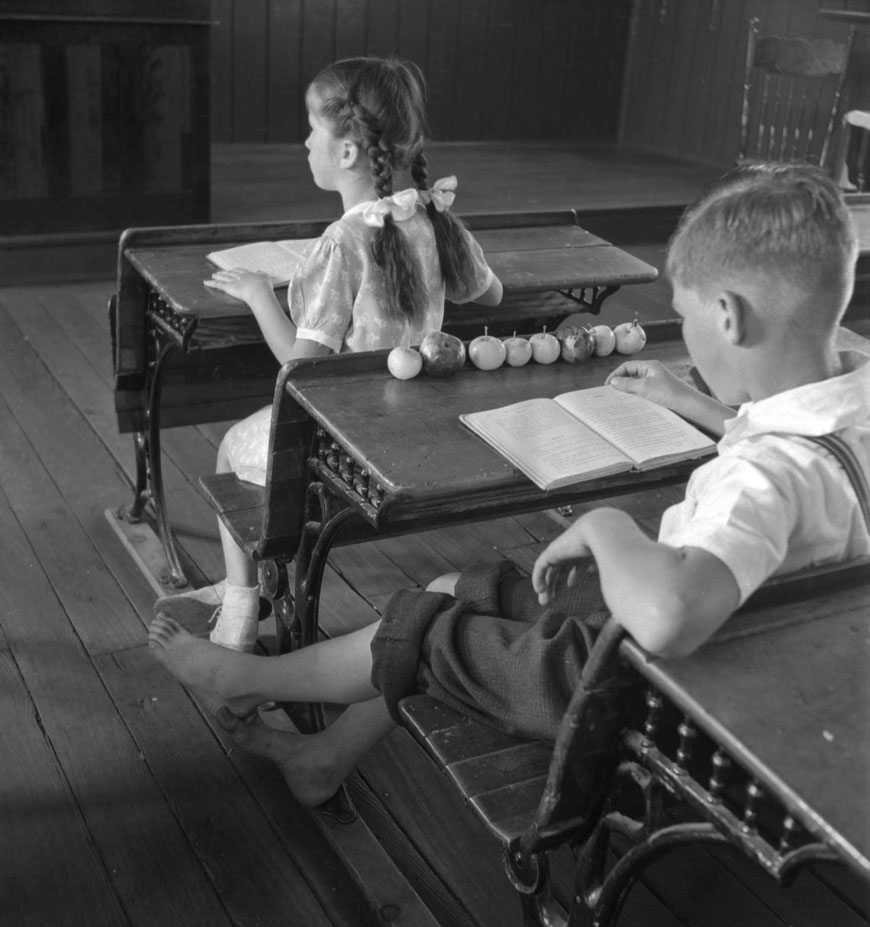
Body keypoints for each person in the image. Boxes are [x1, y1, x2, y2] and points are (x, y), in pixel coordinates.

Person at [148, 162, 870, 808]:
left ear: (727, 316)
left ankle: (238, 677)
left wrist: (607, 523)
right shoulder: (850, 409)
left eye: (685, 316)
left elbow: (670, 611)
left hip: (638, 688)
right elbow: (796, 453)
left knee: (420, 625)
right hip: (758, 657)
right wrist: (703, 409)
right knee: (456, 585)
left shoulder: (761, 480)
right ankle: (323, 757)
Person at [155, 56, 502, 652]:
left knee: (231, 451)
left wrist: (261, 295)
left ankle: (241, 609)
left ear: (346, 153)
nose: (305, 140)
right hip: (412, 425)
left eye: (312, 128)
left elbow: (301, 365)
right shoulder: (436, 217)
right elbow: (491, 292)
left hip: (341, 441)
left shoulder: (342, 243)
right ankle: (245, 586)